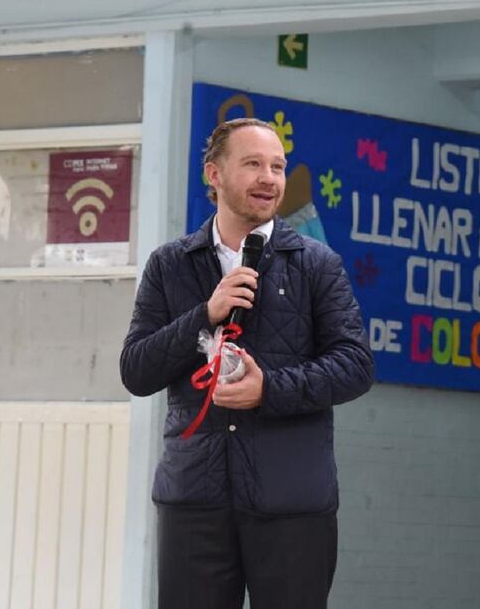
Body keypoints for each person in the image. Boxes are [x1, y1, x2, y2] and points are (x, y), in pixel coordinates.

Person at [120, 117, 375, 609]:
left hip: (292, 501)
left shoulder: (318, 264)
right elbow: (136, 370)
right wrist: (206, 313)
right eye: (253, 164)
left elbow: (355, 365)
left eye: (277, 167)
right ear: (214, 174)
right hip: (194, 499)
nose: (269, 178)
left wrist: (269, 390)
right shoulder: (170, 264)